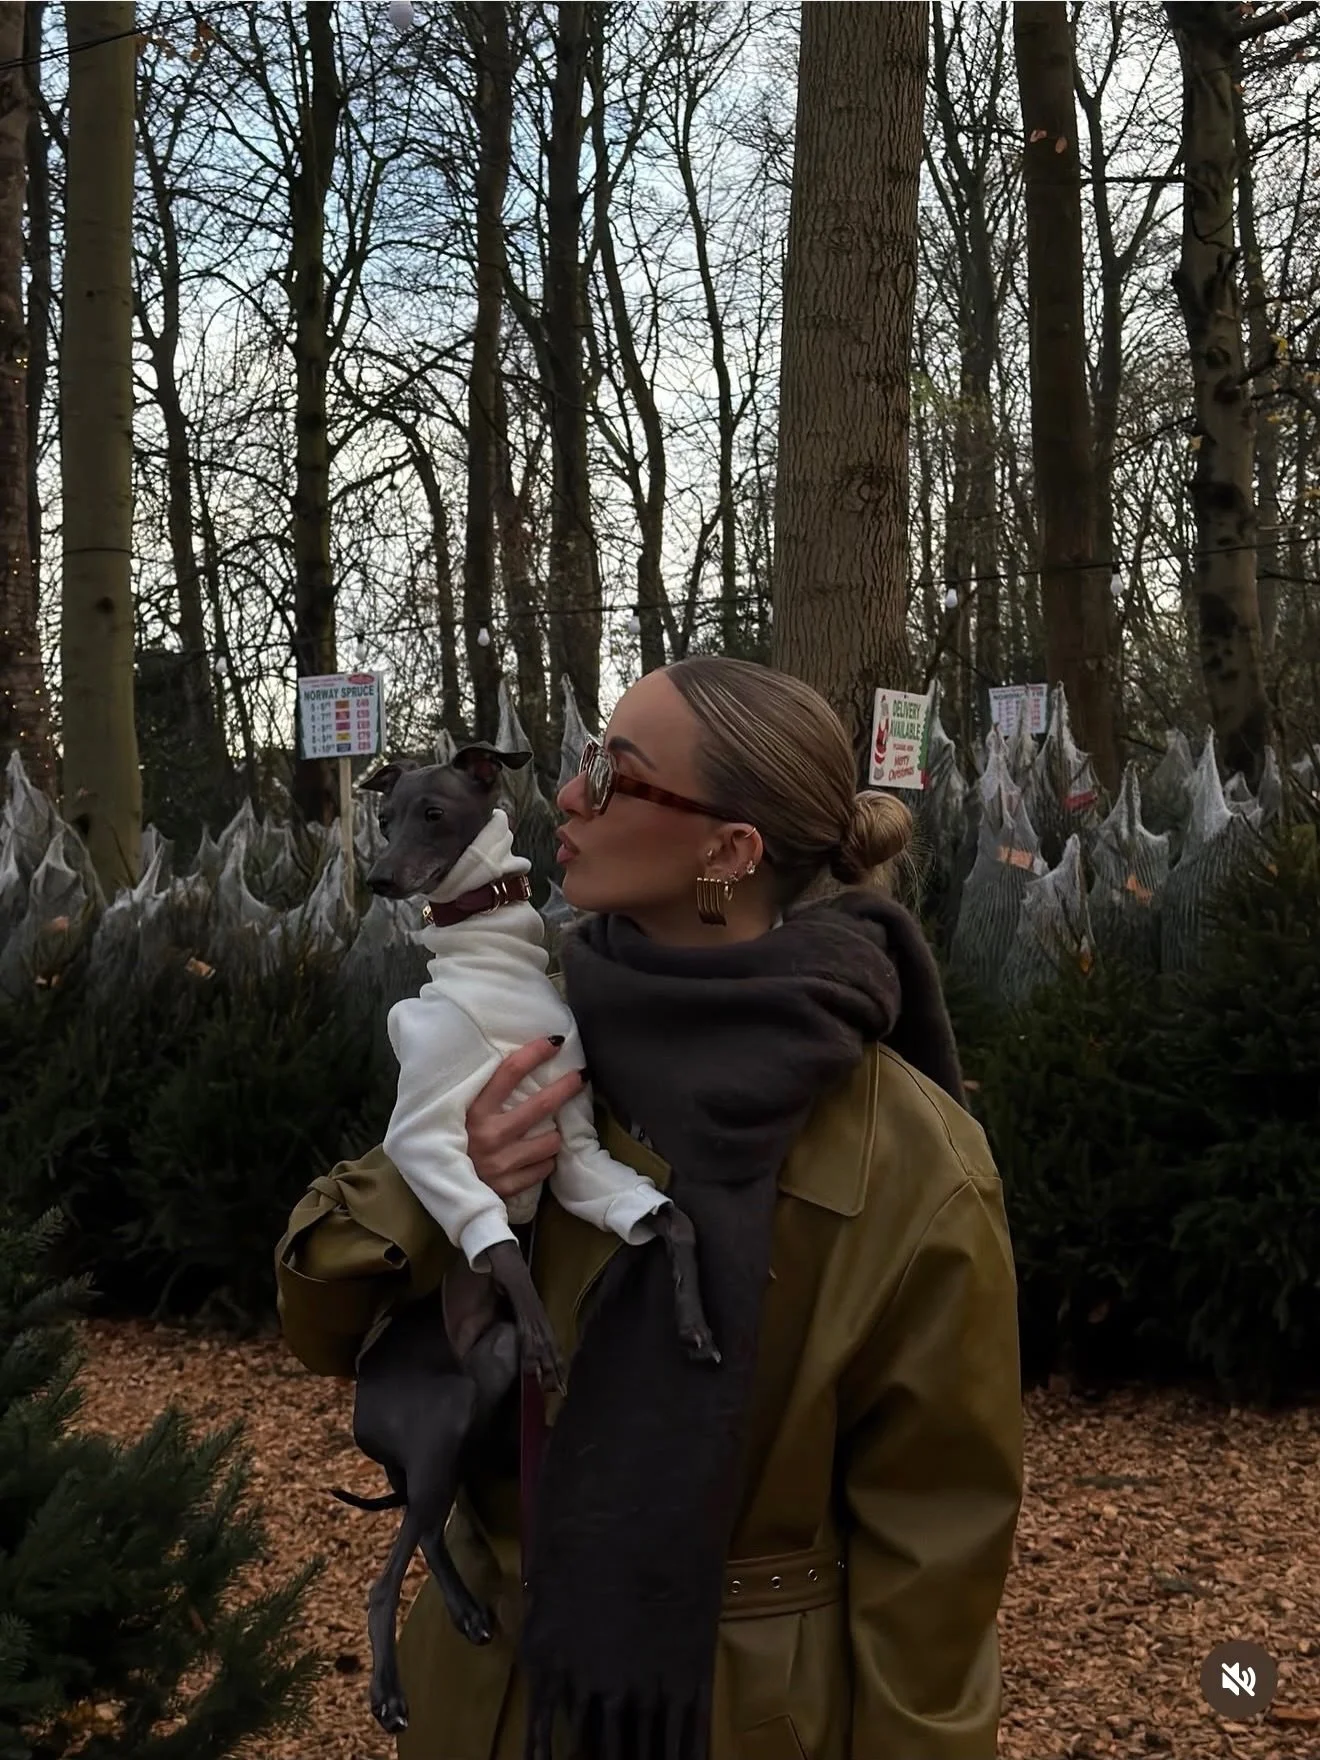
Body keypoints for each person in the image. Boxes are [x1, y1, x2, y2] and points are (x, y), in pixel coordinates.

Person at [276, 656, 1023, 1760]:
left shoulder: (912, 1155)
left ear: (728, 854)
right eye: (584, 766)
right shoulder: (510, 1024)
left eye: (616, 778)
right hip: (481, 1701)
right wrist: (440, 1177)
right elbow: (322, 1322)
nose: (570, 799)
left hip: (731, 1716)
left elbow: (936, 1549)